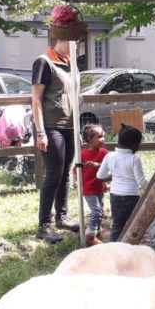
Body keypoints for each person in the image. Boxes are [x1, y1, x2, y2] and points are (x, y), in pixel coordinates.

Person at [31, 36, 80, 244]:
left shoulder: (72, 63)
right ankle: (44, 226)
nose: (77, 44)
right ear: (62, 38)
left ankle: (62, 217)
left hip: (70, 126)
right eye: (74, 40)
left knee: (66, 174)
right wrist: (40, 132)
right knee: (53, 175)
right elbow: (36, 100)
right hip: (51, 127)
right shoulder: (44, 62)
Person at [96, 124, 148, 242]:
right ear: (134, 144)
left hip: (115, 196)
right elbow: (141, 180)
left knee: (117, 225)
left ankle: (114, 251)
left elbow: (99, 177)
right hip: (132, 197)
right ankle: (129, 249)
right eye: (139, 143)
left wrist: (113, 176)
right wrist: (153, 186)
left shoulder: (109, 156)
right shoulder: (134, 159)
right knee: (133, 225)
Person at [79, 124, 109, 246]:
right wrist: (76, 181)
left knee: (101, 209)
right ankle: (90, 235)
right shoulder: (83, 154)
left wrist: (105, 183)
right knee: (96, 211)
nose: (103, 139)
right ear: (90, 139)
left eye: (104, 136)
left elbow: (107, 169)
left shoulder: (104, 152)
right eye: (100, 136)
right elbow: (76, 169)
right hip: (88, 188)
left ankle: (98, 231)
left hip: (99, 187)